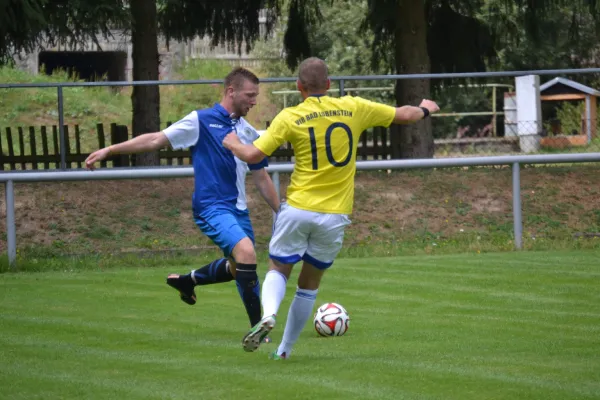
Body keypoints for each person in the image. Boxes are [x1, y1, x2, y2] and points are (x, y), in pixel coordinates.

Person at [222, 57, 440, 358]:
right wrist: (426, 108)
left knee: (279, 268)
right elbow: (405, 114)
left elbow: (252, 154)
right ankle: (284, 351)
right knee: (309, 284)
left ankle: (269, 314)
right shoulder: (354, 107)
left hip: (298, 208)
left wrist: (232, 142)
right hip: (335, 215)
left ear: (299, 87)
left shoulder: (291, 116)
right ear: (328, 84)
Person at [85, 67, 280, 335]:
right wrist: (110, 150)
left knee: (240, 267)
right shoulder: (201, 120)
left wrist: (281, 212)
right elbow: (155, 139)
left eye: (256, 95)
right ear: (231, 91)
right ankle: (259, 330)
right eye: (250, 95)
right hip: (211, 207)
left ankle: (188, 281)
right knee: (246, 253)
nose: (254, 101)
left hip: (238, 209)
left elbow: (261, 177)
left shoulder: (247, 132)